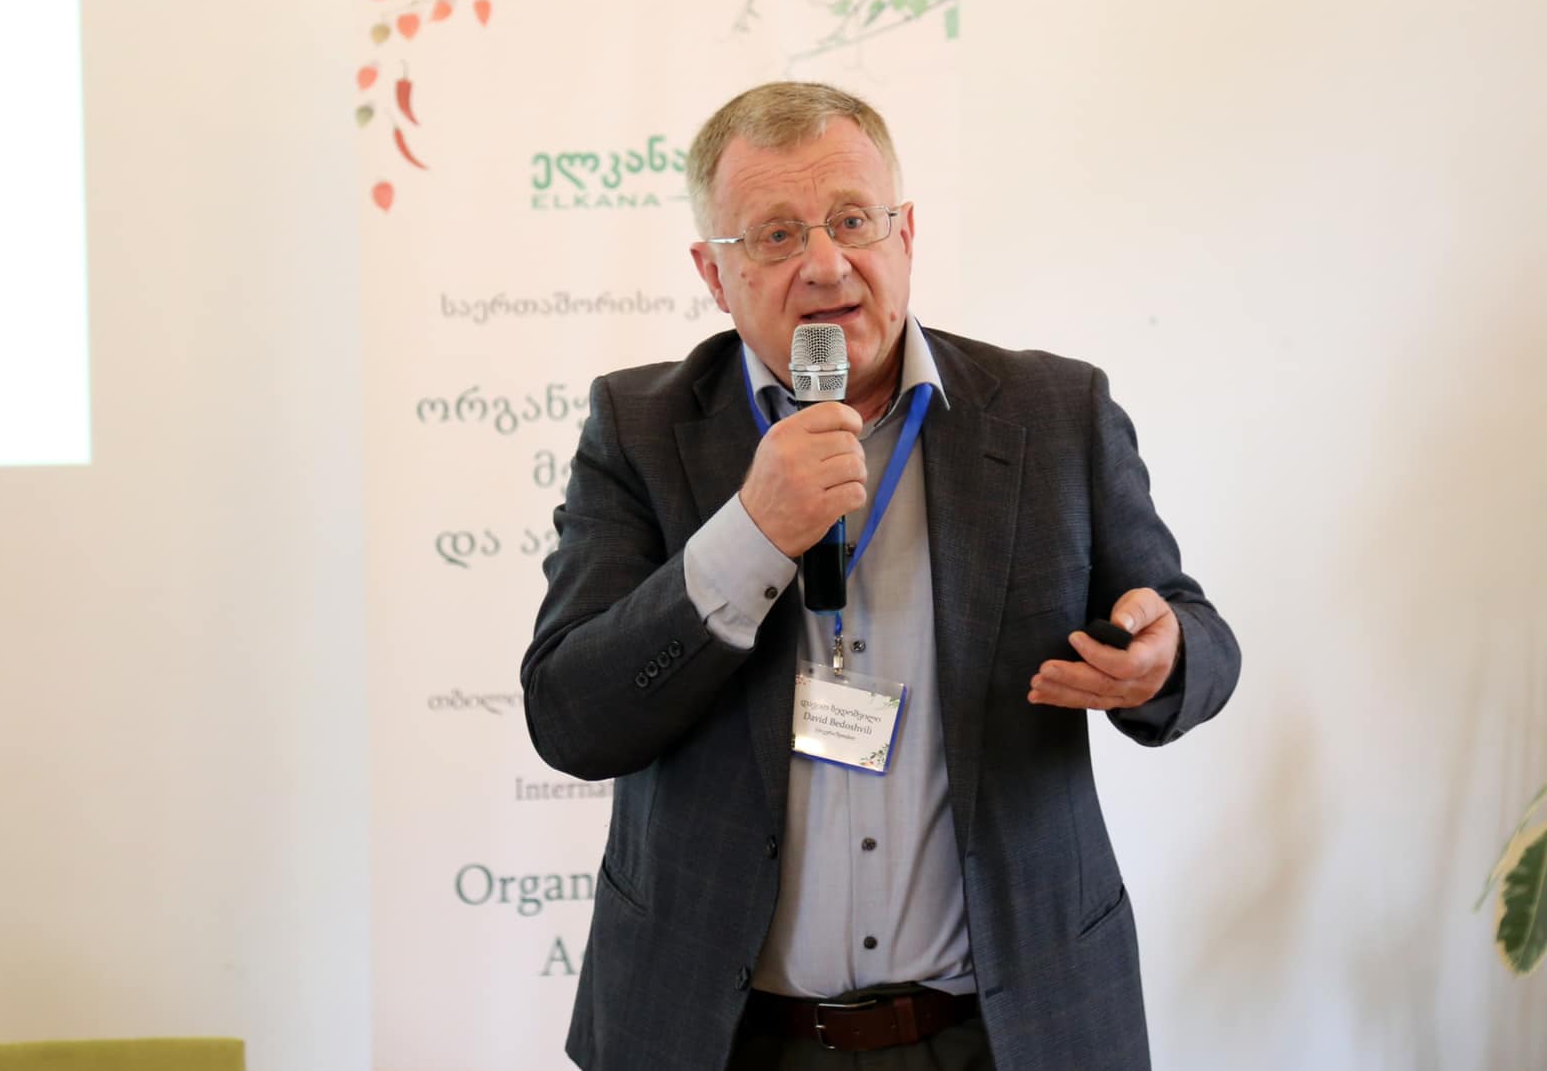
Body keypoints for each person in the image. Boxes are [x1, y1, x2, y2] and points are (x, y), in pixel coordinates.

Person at [521, 82, 1239, 1071]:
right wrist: (751, 533)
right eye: (776, 234)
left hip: (1009, 1028)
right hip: (726, 1037)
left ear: (906, 233)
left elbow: (1194, 630)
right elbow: (570, 717)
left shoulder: (1052, 411)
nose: (826, 263)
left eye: (853, 219)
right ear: (713, 274)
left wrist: (1164, 658)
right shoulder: (640, 429)